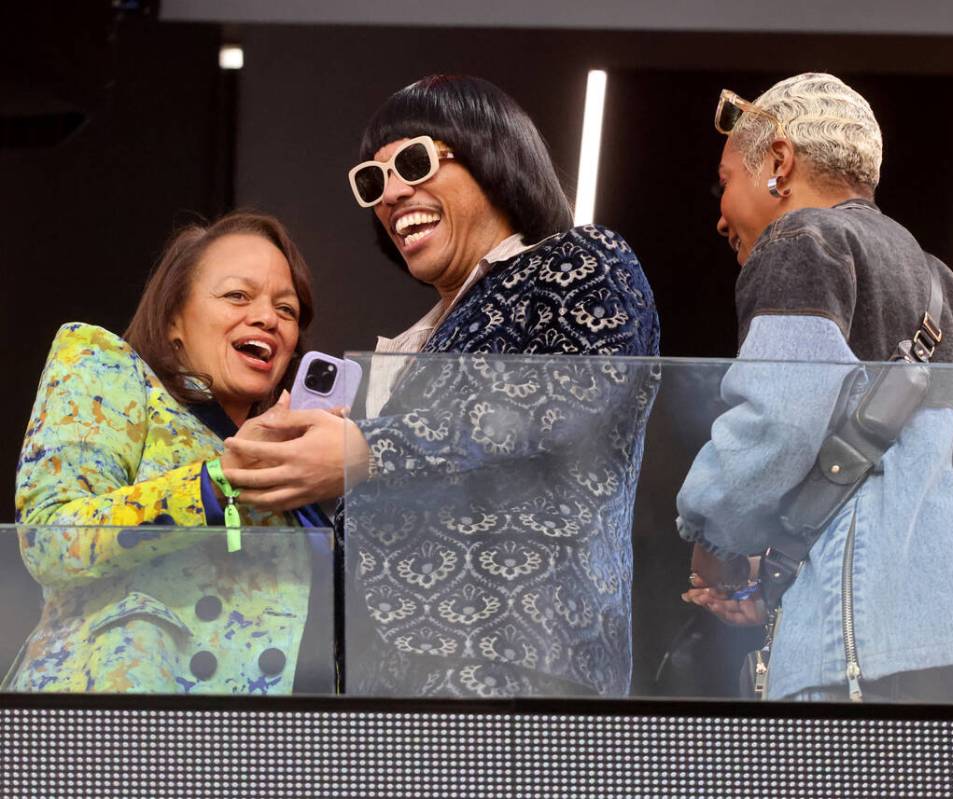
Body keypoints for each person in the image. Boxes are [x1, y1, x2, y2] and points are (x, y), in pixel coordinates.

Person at [676, 73, 953, 702]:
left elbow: (779, 419)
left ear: (778, 162)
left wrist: (714, 537)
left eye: (726, 184)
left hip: (880, 643)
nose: (720, 217)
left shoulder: (803, 240)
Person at [222, 75, 661, 697]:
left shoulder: (582, 260)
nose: (393, 194)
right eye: (372, 182)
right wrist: (289, 465)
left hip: (520, 667)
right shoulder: (415, 342)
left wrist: (365, 451)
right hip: (383, 685)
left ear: (493, 156)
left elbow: (561, 397)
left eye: (414, 161)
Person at [4, 211, 334, 695]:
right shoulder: (109, 368)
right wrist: (216, 482)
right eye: (237, 295)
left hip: (270, 749)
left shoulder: (297, 471)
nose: (267, 317)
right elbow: (51, 539)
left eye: (287, 309)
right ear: (174, 318)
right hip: (123, 722)